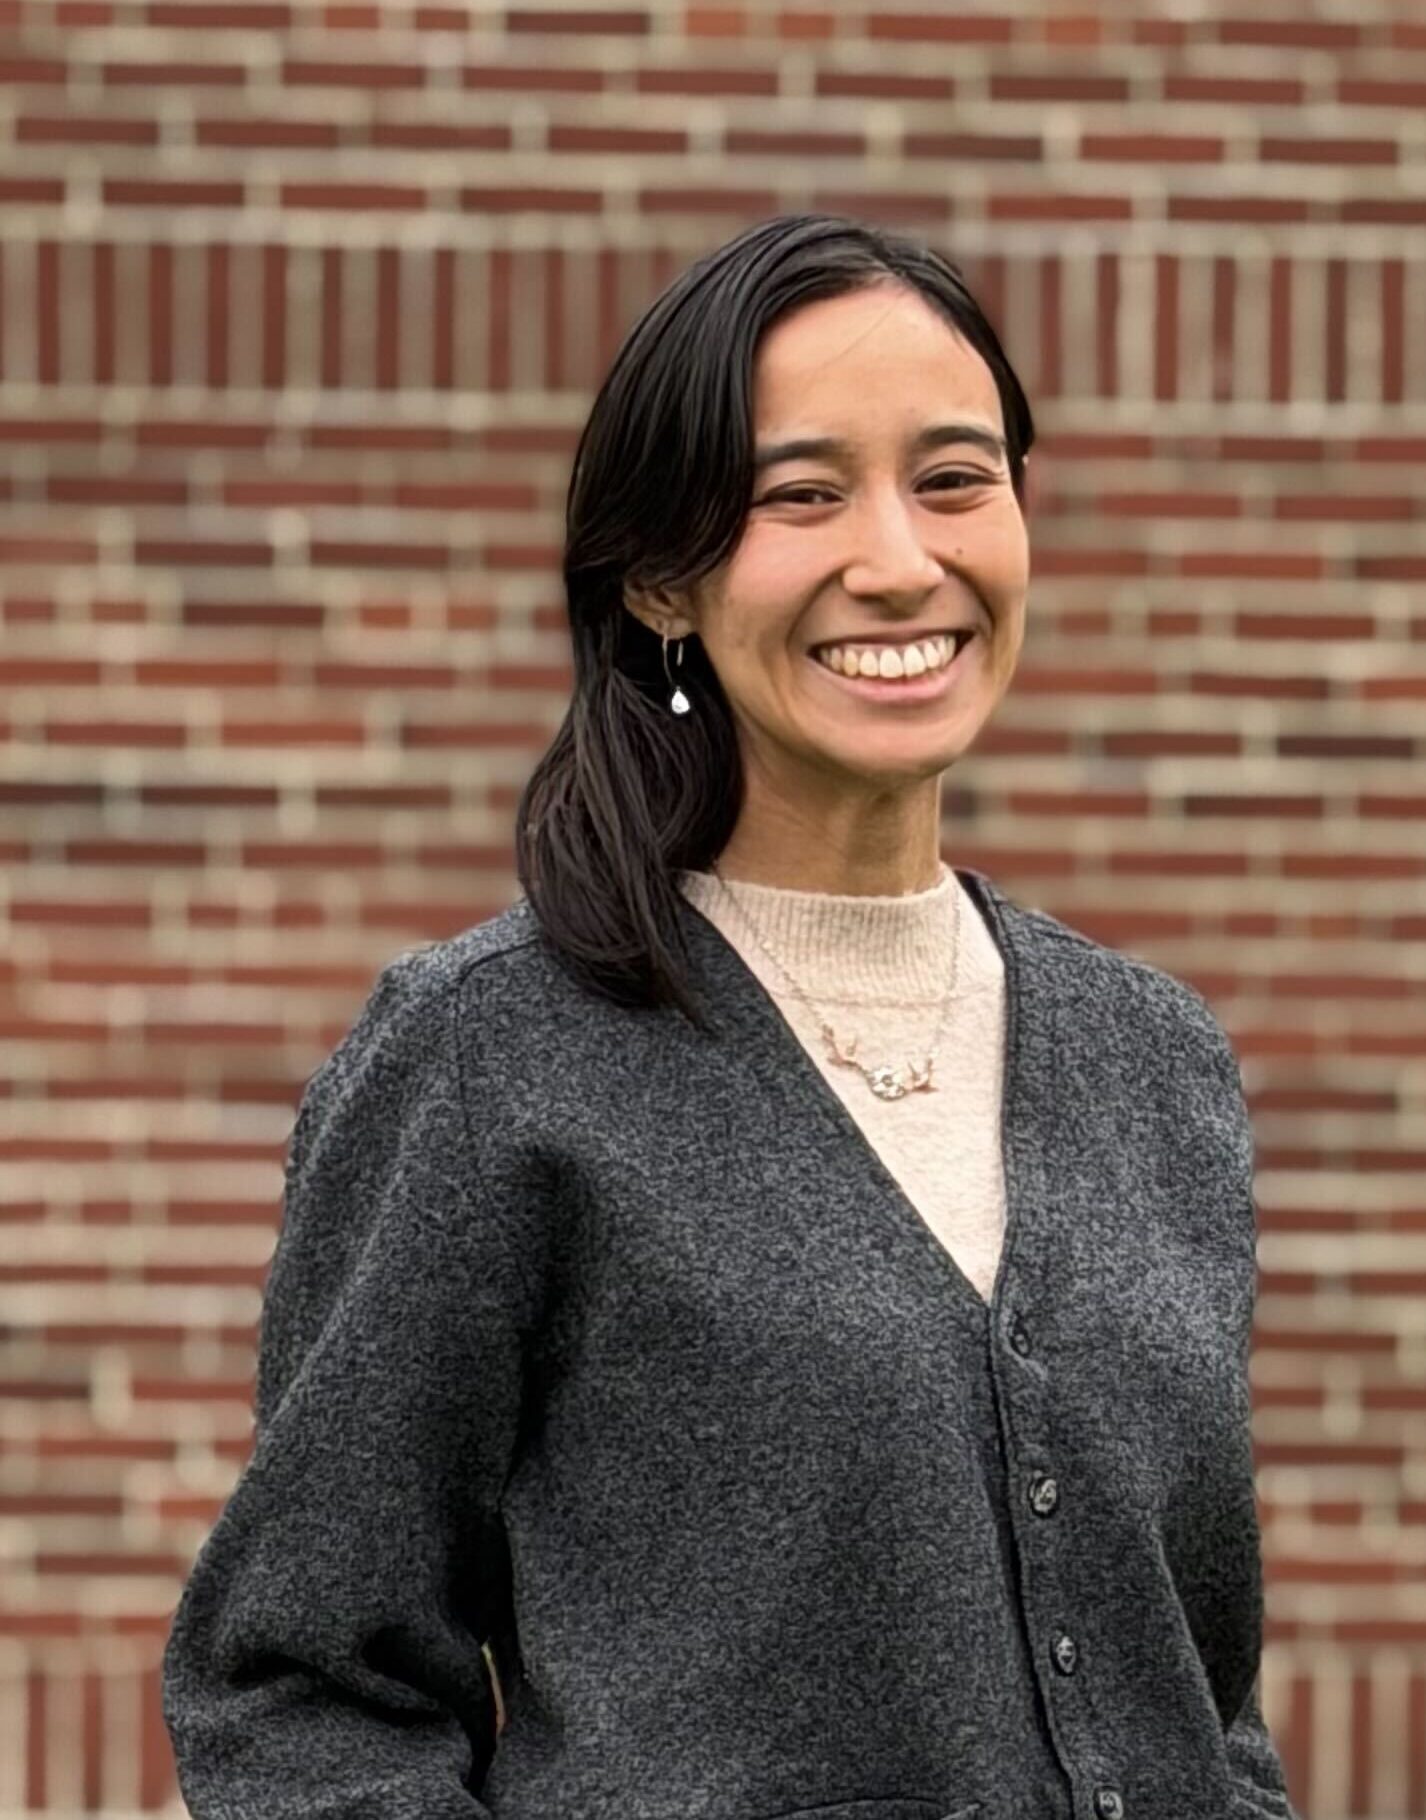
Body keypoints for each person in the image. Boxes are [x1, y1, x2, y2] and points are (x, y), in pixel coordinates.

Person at [160, 213, 1303, 1820]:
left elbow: (1195, 1694)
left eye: (956, 478)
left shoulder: (1153, 1062)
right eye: (801, 493)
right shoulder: (494, 1056)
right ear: (660, 580)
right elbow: (297, 1687)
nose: (901, 559)